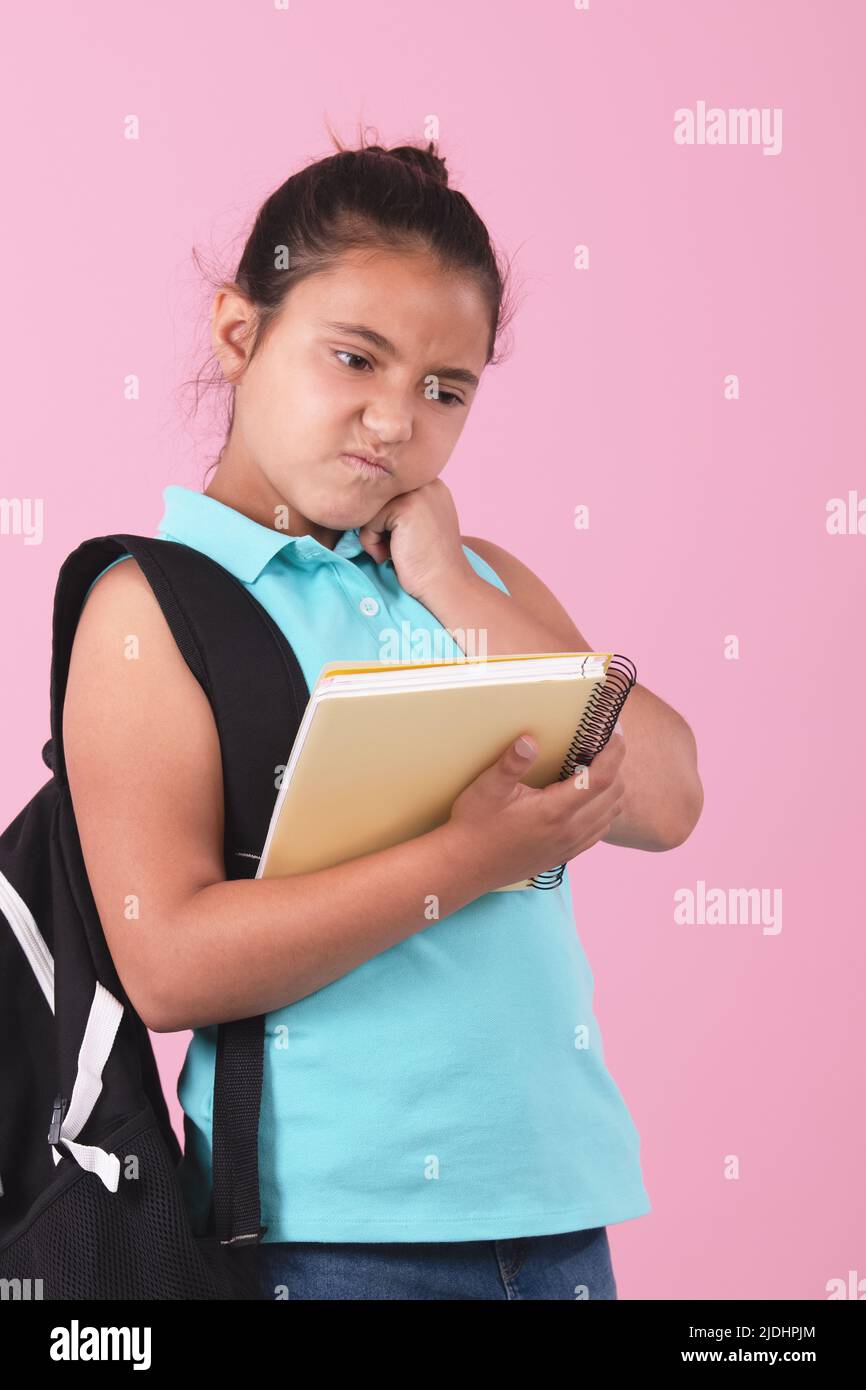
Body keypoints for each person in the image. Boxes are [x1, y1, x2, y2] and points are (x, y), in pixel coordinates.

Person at [63, 129, 703, 1301]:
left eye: (443, 388)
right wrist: (470, 857)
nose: (395, 420)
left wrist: (453, 585)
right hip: (328, 1234)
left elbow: (664, 797)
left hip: (558, 1210)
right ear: (239, 332)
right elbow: (166, 962)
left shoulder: (472, 578)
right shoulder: (152, 608)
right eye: (354, 358)